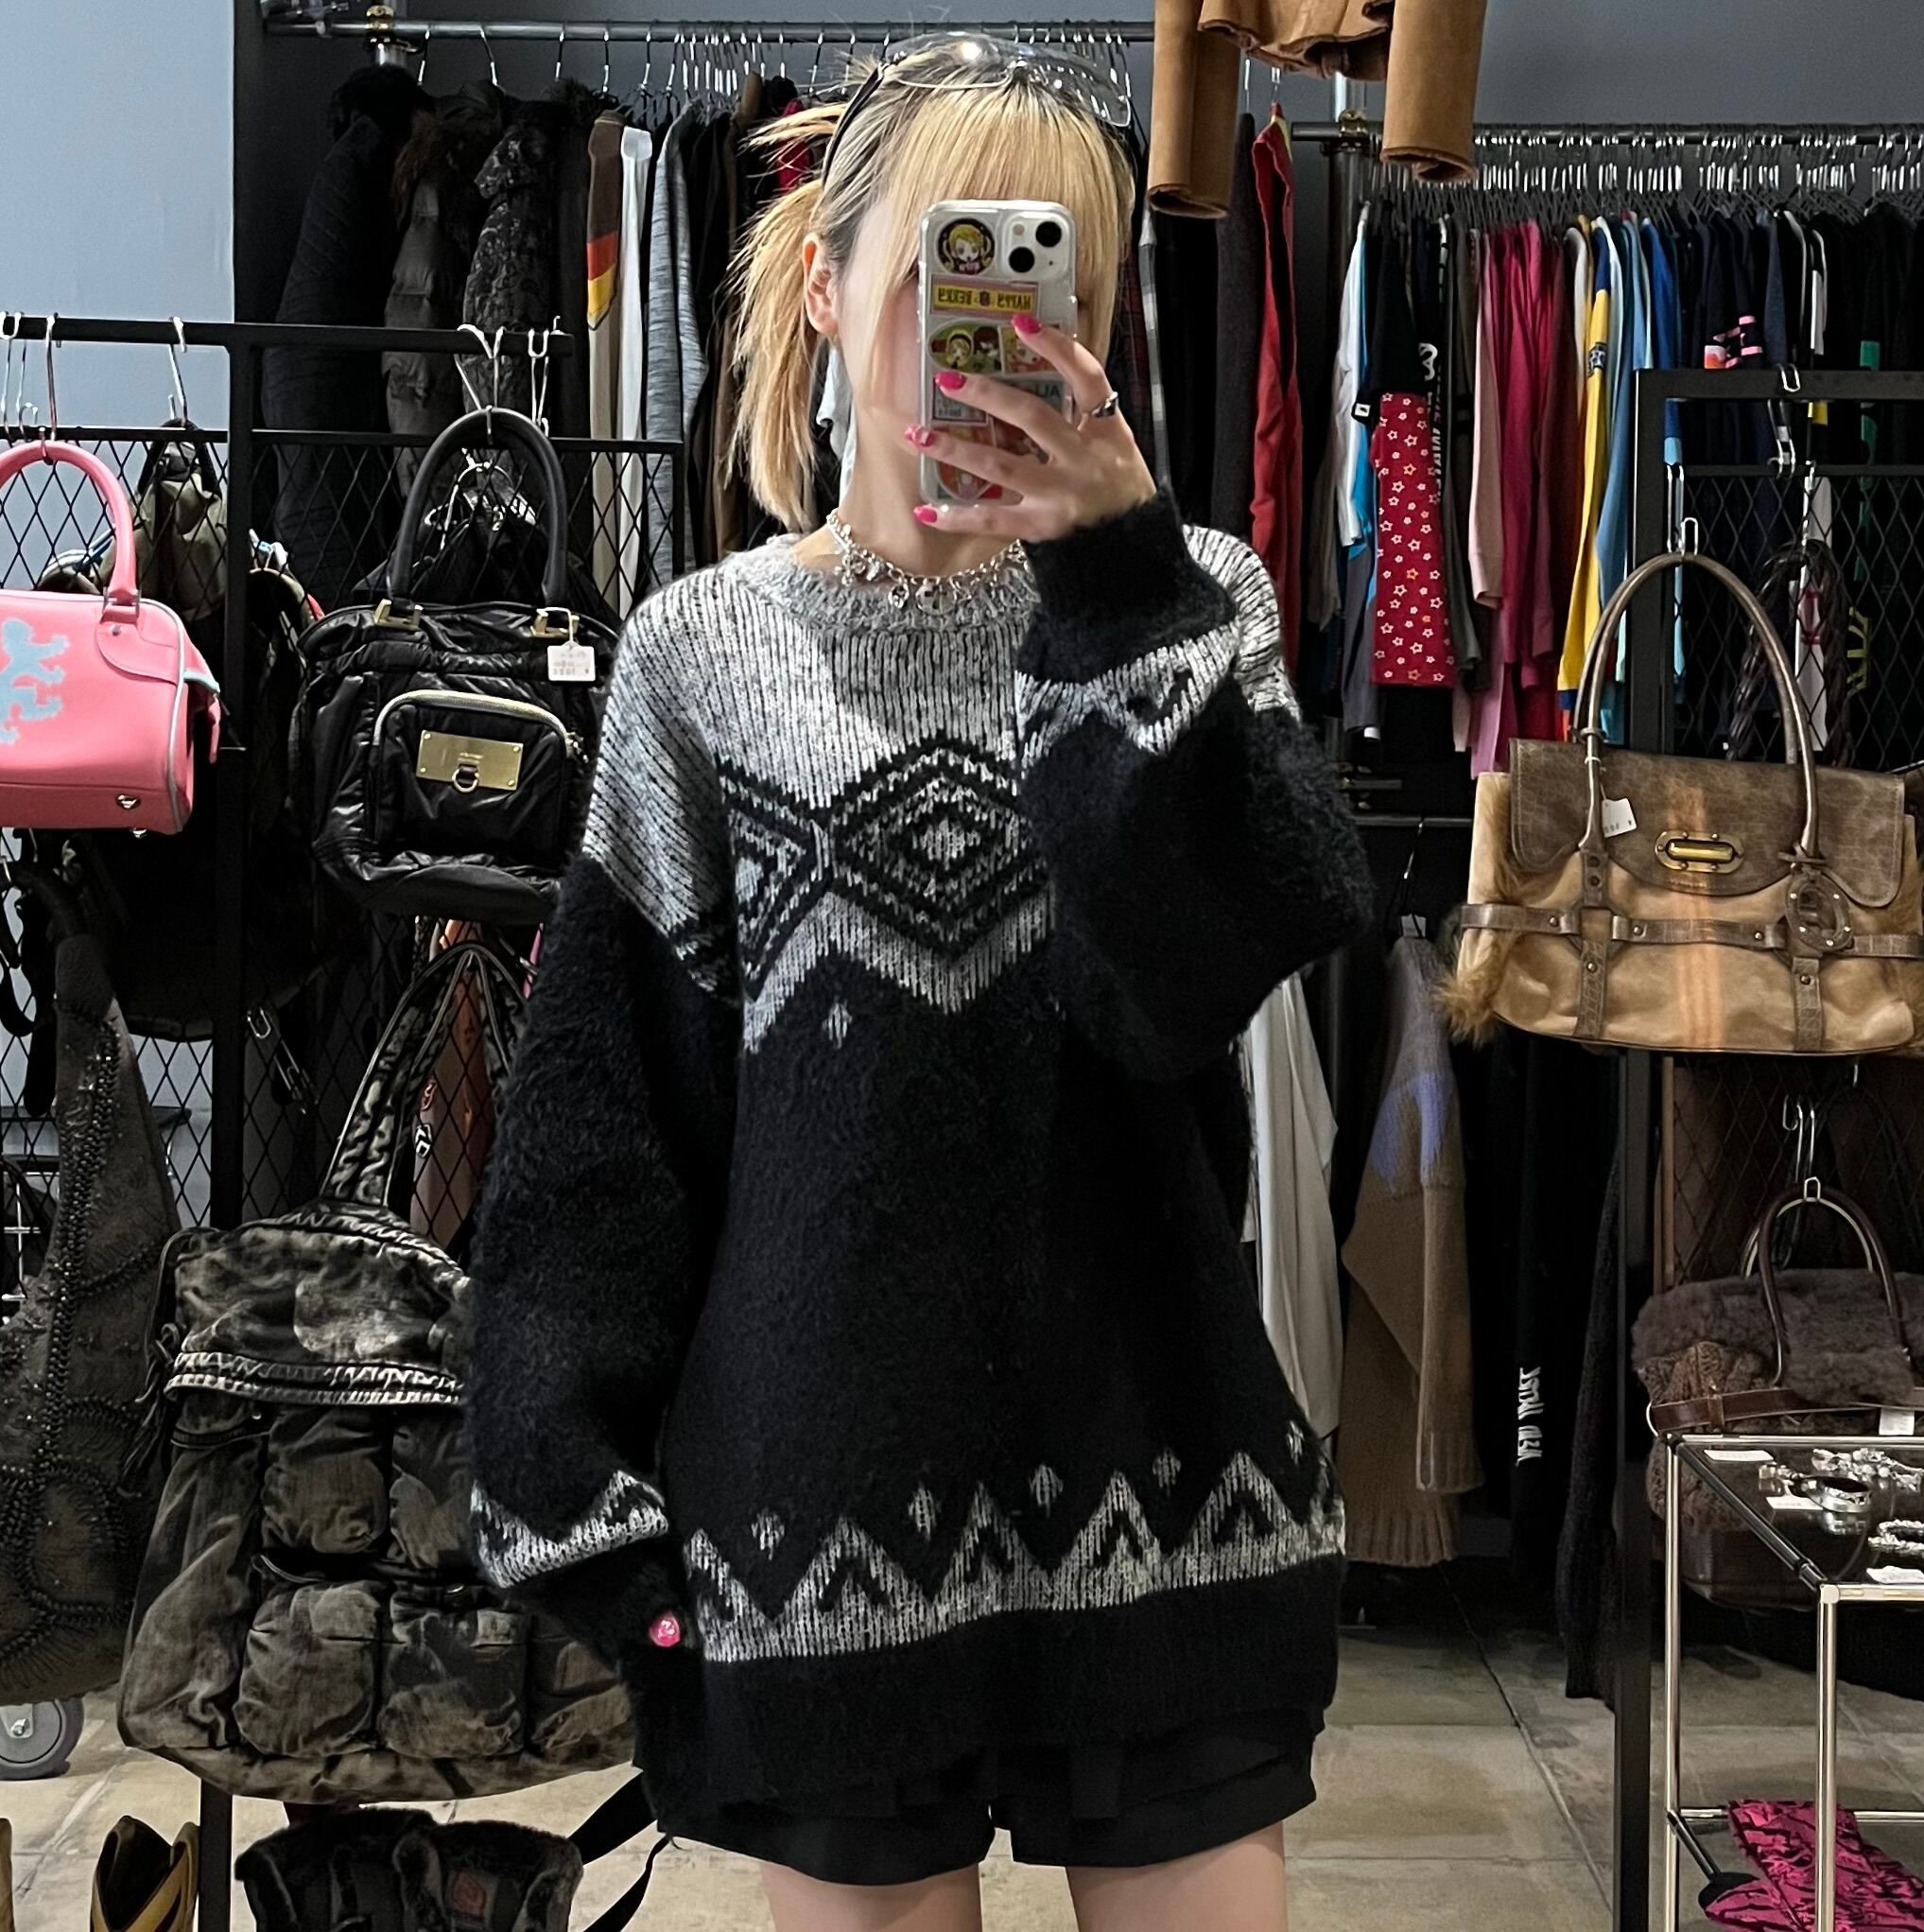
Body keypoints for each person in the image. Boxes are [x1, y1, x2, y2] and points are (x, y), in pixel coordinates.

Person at [465, 33, 1373, 1932]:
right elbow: (607, 1129)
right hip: (823, 1522)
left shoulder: (1191, 600)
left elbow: (1196, 972)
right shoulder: (700, 655)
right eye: (956, 269)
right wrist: (586, 1501)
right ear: (826, 284)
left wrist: (1116, 585)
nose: (1004, 335)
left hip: (1164, 1482)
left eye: (1056, 282)